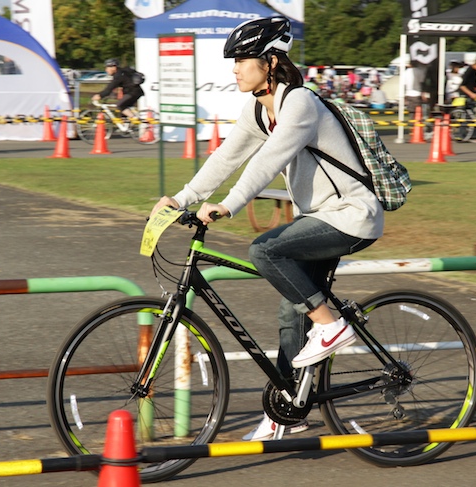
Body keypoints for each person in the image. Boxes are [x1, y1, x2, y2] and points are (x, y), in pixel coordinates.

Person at [149, 17, 383, 441]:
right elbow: (226, 158)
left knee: (265, 251)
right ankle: (288, 409)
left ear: (271, 62)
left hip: (352, 214)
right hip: (319, 217)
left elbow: (267, 161)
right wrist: (181, 198)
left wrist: (228, 205)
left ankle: (332, 327)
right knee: (290, 309)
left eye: (242, 60)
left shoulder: (300, 104)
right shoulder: (258, 109)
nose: (235, 69)